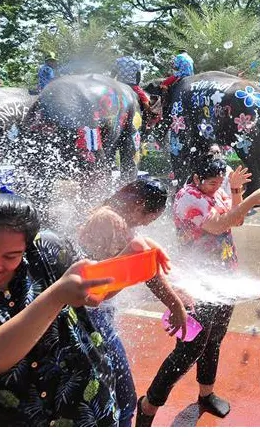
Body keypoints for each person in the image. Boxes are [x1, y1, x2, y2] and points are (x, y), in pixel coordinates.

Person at [0, 190, 177, 426]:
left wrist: (130, 257)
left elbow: (94, 295)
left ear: (25, 248)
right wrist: (55, 296)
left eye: (11, 256)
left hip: (94, 412)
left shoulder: (46, 249)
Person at [137, 157, 260, 426]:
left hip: (224, 279)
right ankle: (148, 405)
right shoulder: (189, 198)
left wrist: (235, 192)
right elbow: (219, 225)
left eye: (220, 182)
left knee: (214, 339)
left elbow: (237, 221)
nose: (216, 187)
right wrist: (251, 200)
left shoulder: (217, 190)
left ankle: (206, 394)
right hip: (197, 284)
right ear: (196, 178)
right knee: (188, 350)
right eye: (212, 182)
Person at [76, 176, 190, 427]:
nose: (148, 224)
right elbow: (144, 269)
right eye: (151, 217)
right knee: (124, 397)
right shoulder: (111, 220)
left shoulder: (113, 215)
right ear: (139, 205)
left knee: (98, 387)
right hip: (92, 314)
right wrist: (175, 304)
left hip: (93, 310)